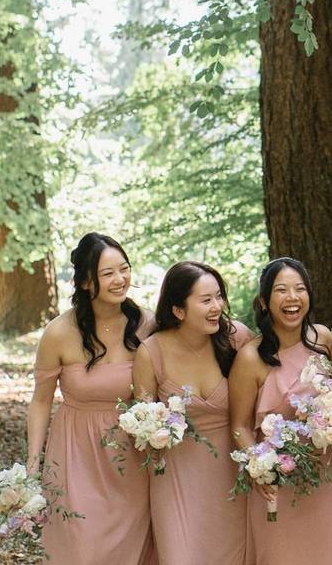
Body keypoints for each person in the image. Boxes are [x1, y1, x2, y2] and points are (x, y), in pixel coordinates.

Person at [27, 232, 155, 564]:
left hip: (131, 456)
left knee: (130, 551)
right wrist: (32, 464)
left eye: (124, 269)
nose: (120, 279)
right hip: (75, 454)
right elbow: (41, 401)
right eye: (107, 273)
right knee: (82, 547)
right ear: (85, 281)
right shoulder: (58, 332)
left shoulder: (147, 325)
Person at [228, 257, 332, 564]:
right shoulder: (251, 358)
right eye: (281, 290)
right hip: (280, 480)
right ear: (264, 301)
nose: (292, 298)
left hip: (330, 476)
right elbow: (239, 425)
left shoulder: (324, 339)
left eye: (300, 289)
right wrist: (261, 467)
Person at [132, 261, 253, 565]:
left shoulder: (238, 339)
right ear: (178, 310)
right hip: (175, 483)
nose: (217, 307)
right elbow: (142, 421)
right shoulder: (151, 352)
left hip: (233, 479)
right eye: (206, 300)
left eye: (219, 297)